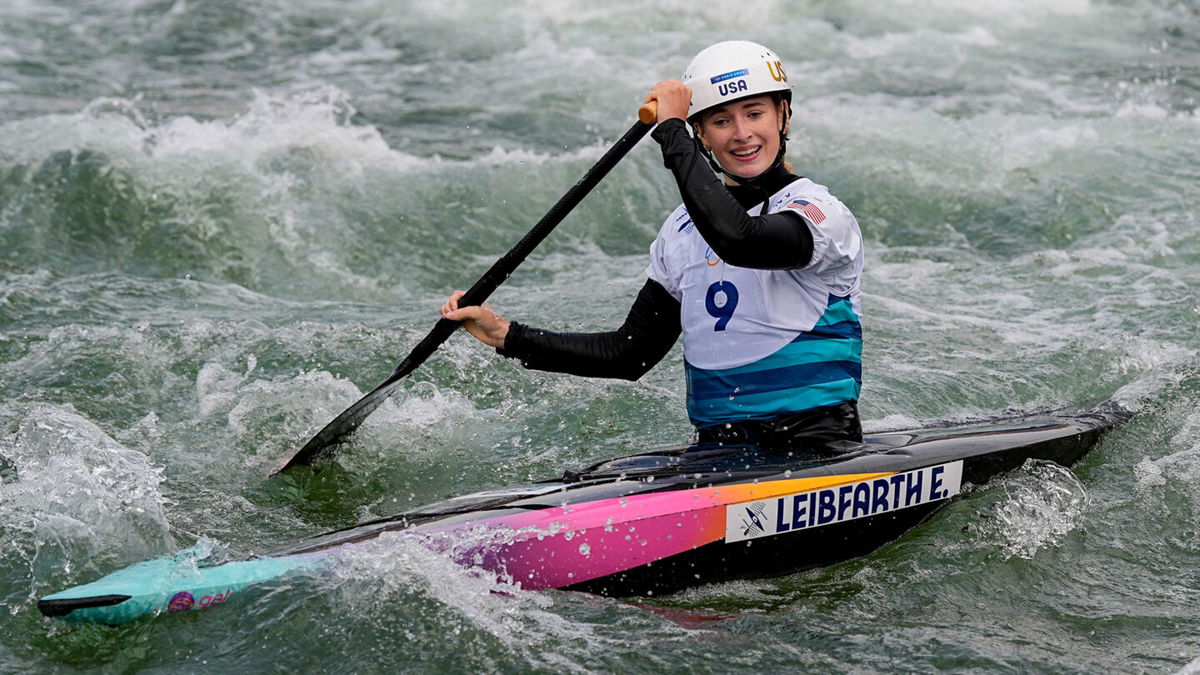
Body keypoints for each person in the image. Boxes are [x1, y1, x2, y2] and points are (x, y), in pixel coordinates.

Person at [441, 40, 864, 453]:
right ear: (702, 134)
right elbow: (628, 354)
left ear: (783, 116)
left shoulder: (821, 214)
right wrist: (508, 335)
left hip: (816, 444)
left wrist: (671, 133)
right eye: (720, 121)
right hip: (718, 450)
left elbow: (740, 240)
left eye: (755, 114)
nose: (742, 134)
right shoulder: (680, 231)